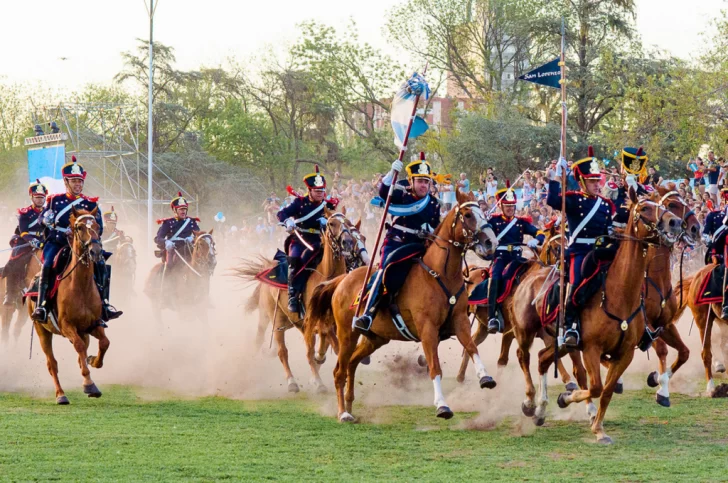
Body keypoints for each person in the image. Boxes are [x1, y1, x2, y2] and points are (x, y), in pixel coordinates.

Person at [353, 153, 440, 331]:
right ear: (411, 181)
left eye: (426, 181)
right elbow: (384, 192)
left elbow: (437, 228)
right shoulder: (401, 195)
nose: (423, 185)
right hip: (397, 244)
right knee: (386, 272)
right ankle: (369, 313)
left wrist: (431, 232)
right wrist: (391, 173)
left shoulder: (434, 203)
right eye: (419, 181)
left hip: (421, 247)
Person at [33, 156, 122, 323]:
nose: (78, 185)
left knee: (101, 264)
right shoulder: (54, 200)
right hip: (58, 243)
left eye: (80, 182)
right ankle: (42, 305)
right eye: (74, 181)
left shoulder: (90, 203)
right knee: (47, 264)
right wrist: (46, 219)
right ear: (66, 182)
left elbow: (100, 227)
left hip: (83, 244)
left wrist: (88, 235)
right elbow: (41, 220)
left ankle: (104, 305)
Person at [547, 147, 614, 349]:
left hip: (601, 253)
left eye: (598, 181)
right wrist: (555, 178)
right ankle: (570, 326)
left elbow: (608, 232)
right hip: (579, 252)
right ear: (583, 181)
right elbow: (552, 200)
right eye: (592, 181)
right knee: (576, 282)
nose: (597, 184)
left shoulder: (605, 205)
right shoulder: (573, 199)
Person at [485, 181, 545, 333]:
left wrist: (536, 239)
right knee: (496, 277)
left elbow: (539, 232)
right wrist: (483, 222)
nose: (511, 209)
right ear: (501, 206)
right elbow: (482, 234)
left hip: (517, 258)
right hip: (500, 257)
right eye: (507, 206)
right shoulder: (493, 221)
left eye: (512, 206)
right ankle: (492, 315)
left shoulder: (520, 223)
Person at [276, 165, 337, 313]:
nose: (320, 194)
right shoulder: (299, 203)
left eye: (322, 191)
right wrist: (287, 221)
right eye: (317, 191)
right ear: (309, 190)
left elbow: (336, 217)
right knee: (295, 261)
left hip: (320, 240)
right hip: (301, 240)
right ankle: (293, 294)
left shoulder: (327, 204)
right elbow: (281, 213)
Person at [3, 180, 47, 305]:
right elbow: (23, 231)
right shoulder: (25, 213)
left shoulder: (48, 213)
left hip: (43, 242)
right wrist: (33, 242)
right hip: (26, 242)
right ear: (32, 197)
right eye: (37, 197)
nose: (40, 200)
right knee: (14, 263)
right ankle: (10, 294)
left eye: (42, 197)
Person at [154, 192, 201, 270]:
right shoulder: (168, 222)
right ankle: (164, 281)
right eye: (181, 209)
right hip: (173, 249)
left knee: (200, 262)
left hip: (189, 249)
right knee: (169, 266)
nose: (183, 211)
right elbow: (158, 238)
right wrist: (166, 242)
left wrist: (192, 239)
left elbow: (198, 236)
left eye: (185, 209)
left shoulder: (191, 222)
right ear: (175, 210)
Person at [703, 187, 728, 319]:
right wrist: (708, 241)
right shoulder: (713, 215)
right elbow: (705, 234)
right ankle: (725, 304)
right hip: (719, 250)